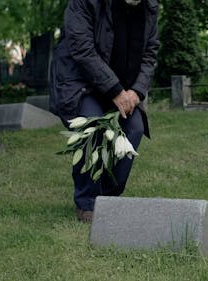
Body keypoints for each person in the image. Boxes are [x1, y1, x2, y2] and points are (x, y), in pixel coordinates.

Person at [49, 0, 159, 222]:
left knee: (134, 128)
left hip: (124, 88)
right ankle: (87, 202)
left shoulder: (149, 7)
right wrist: (116, 91)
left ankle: (108, 198)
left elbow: (150, 52)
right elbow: (82, 49)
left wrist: (136, 92)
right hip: (80, 82)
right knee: (93, 125)